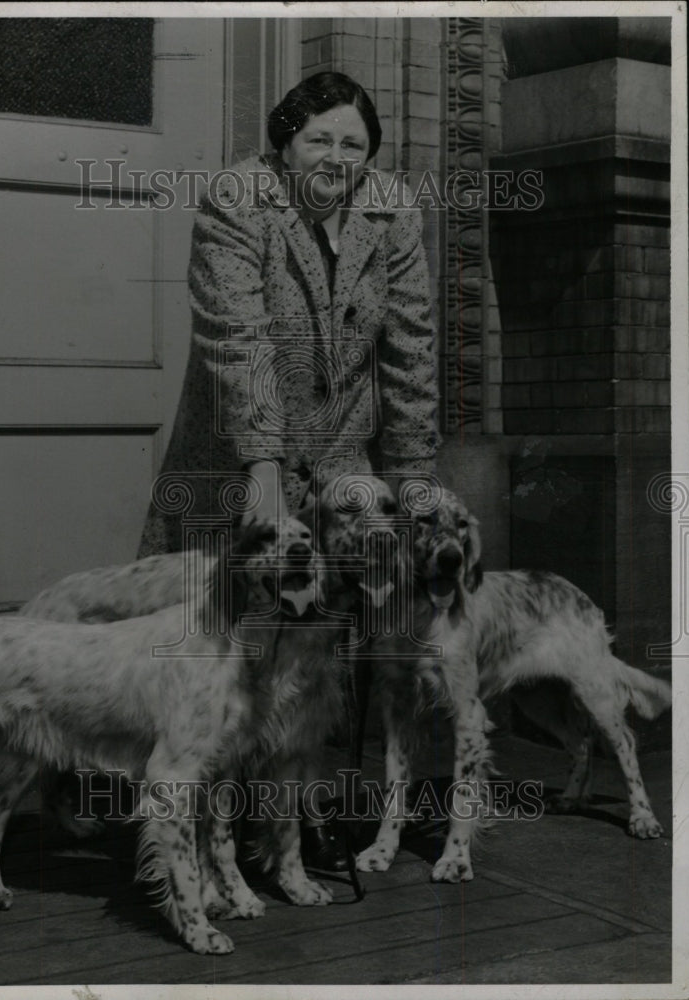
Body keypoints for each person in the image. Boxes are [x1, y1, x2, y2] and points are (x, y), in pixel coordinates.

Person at [138, 72, 440, 870]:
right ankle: (191, 831)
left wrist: (410, 476)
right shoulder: (239, 198)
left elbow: (411, 351)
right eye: (319, 140)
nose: (336, 157)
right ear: (284, 141)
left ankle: (294, 822)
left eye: (353, 143)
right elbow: (238, 340)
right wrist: (264, 467)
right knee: (211, 644)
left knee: (316, 650)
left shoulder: (391, 208)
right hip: (235, 451)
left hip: (342, 450)